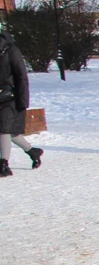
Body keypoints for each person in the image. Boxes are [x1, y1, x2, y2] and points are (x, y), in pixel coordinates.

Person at [0, 25, 42, 177]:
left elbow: (21, 76)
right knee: (10, 133)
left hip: (10, 96)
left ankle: (3, 164)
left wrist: (23, 100)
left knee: (3, 129)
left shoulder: (11, 50)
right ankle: (32, 151)